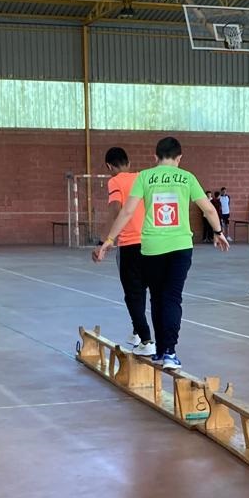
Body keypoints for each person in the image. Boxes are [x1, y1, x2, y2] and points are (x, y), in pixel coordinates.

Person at [92, 136, 229, 372]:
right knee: (172, 298)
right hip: (180, 247)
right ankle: (170, 353)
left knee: (156, 297)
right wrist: (218, 232)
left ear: (155, 157)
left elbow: (126, 212)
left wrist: (109, 240)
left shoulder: (145, 177)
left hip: (152, 247)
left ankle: (160, 350)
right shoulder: (187, 177)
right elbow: (208, 208)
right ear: (179, 158)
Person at [103, 147, 153, 355]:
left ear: (109, 166)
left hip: (130, 244)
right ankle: (136, 331)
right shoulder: (142, 178)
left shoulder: (115, 181)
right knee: (143, 288)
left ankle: (146, 340)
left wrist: (107, 239)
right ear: (129, 163)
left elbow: (116, 209)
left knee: (132, 293)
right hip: (151, 242)